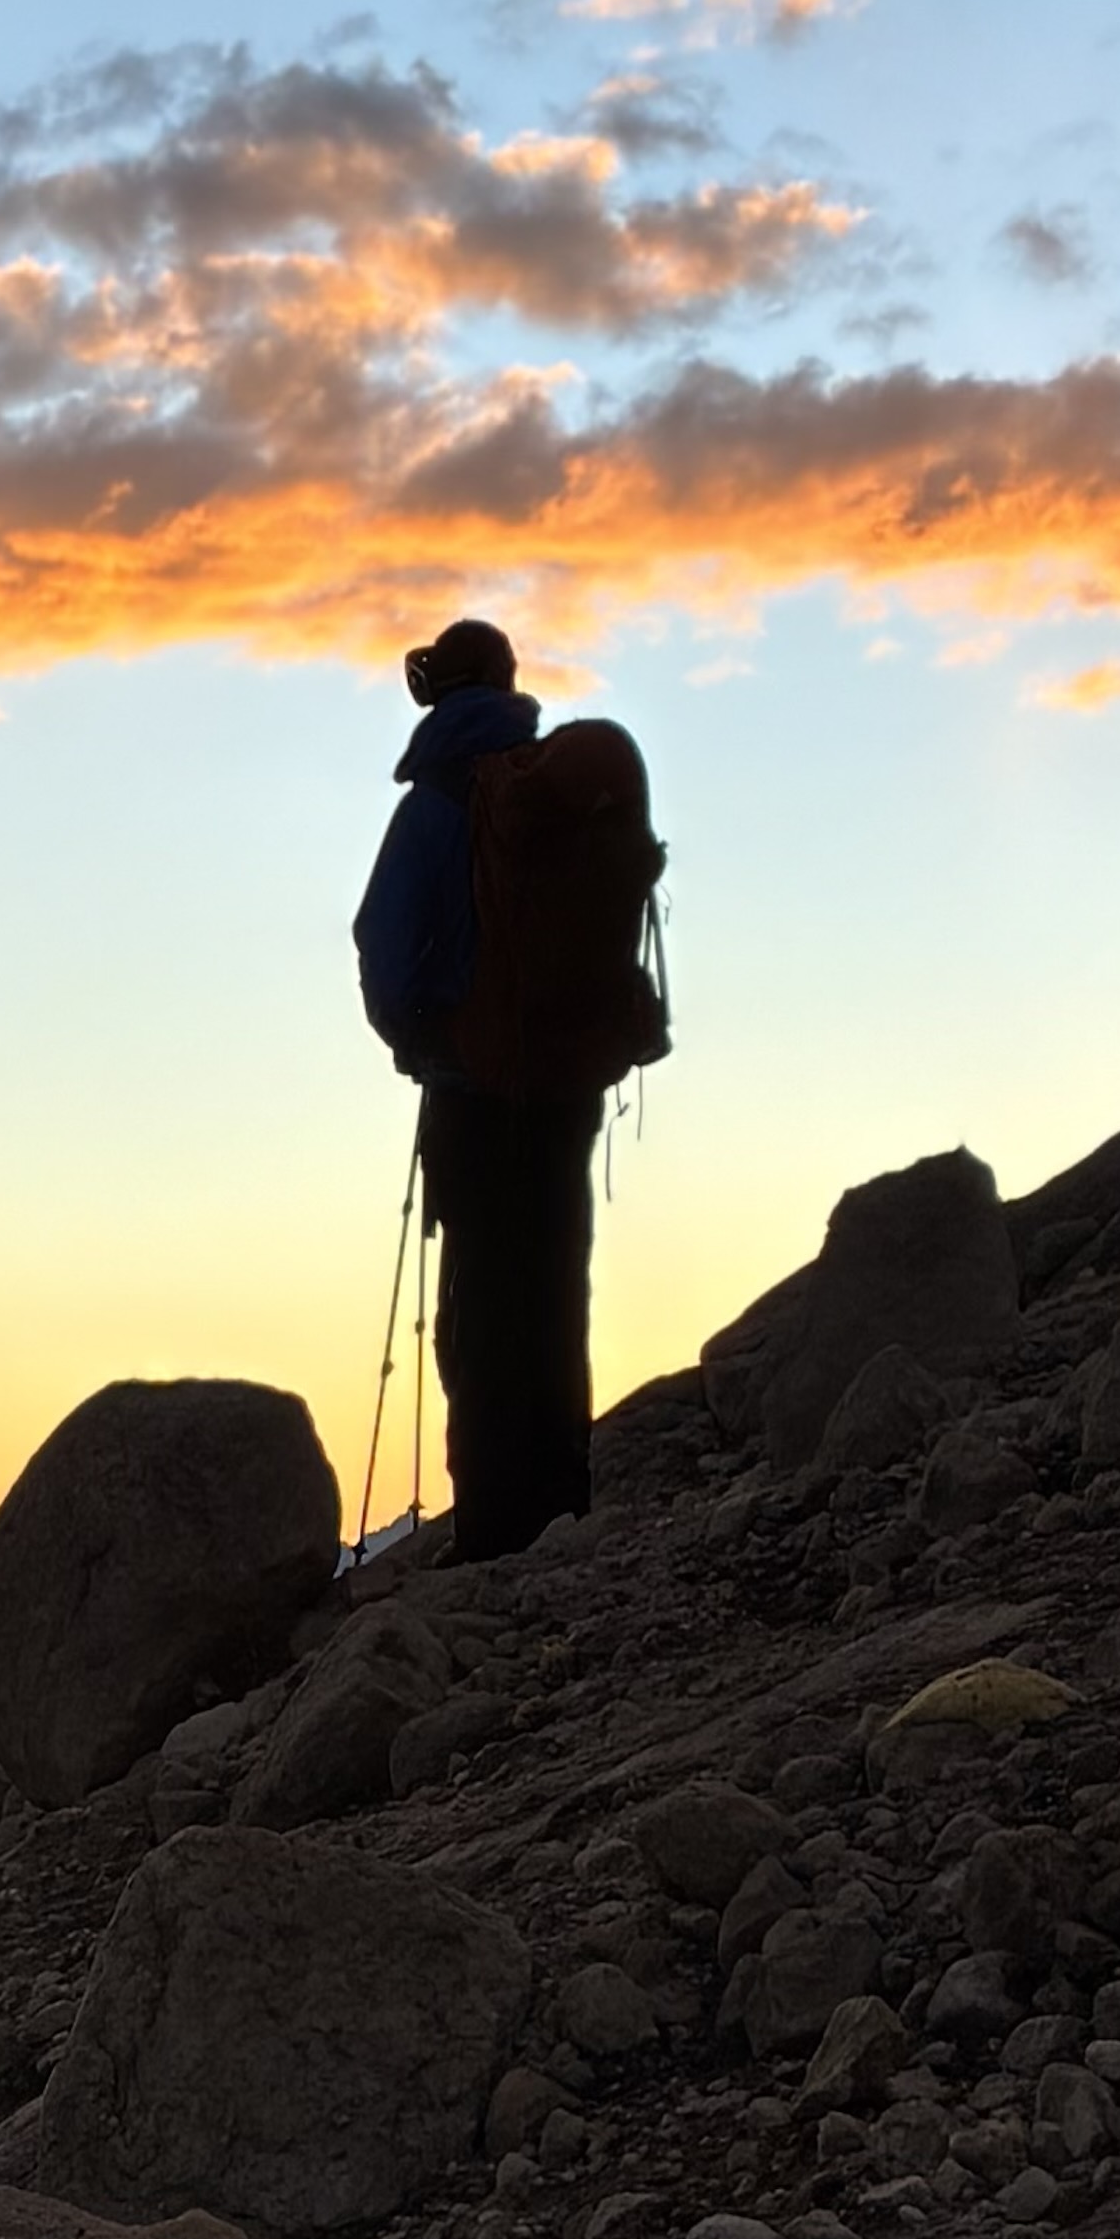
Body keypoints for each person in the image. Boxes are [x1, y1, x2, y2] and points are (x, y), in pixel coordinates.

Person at [349, 617, 668, 1557]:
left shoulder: (447, 798)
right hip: (568, 1086)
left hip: (473, 1089)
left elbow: (384, 943)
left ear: (439, 693)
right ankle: (560, 1501)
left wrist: (419, 1040)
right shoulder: (549, 792)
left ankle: (493, 1531)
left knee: (480, 1308)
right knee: (554, 1286)